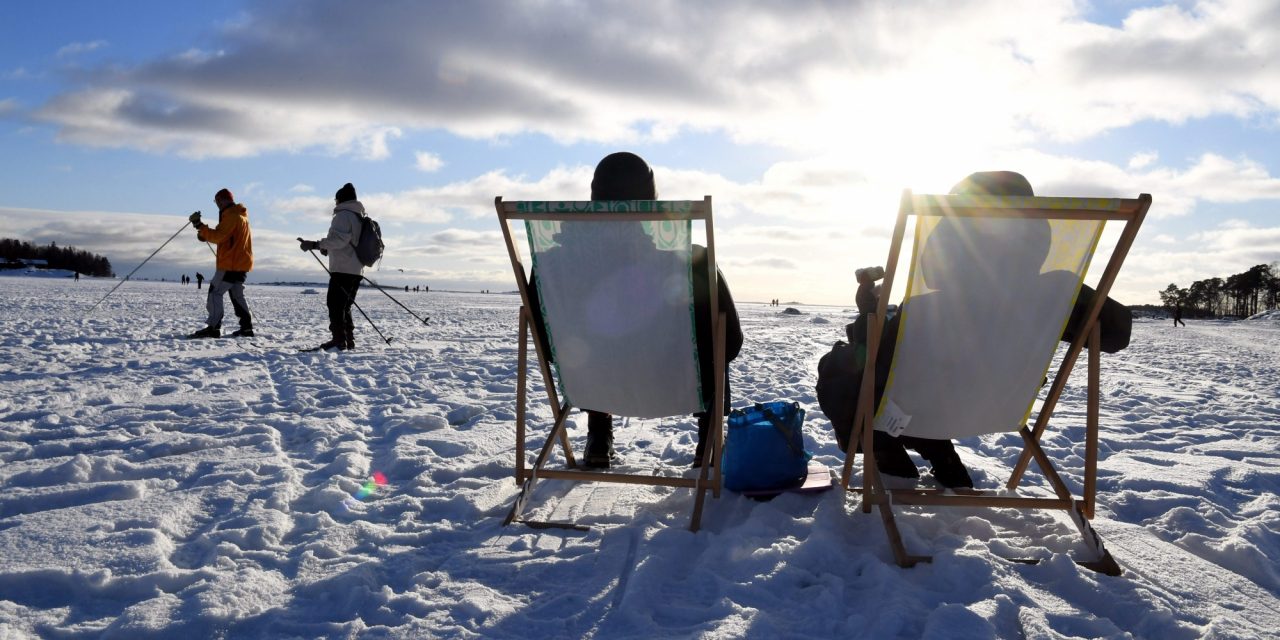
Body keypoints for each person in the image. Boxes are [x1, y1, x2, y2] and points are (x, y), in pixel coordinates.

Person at [528, 152, 744, 468]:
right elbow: (731, 343)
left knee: (591, 348)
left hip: (591, 377)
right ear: (650, 202)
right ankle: (708, 440)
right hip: (672, 376)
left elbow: (548, 346)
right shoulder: (691, 264)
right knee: (714, 330)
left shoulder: (551, 266)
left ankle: (598, 438)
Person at [299, 182, 365, 351]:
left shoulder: (343, 215)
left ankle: (339, 341)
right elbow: (347, 242)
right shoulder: (357, 215)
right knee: (344, 306)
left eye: (336, 199)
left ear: (341, 200)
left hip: (342, 268)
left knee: (335, 305)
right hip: (355, 268)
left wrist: (315, 244)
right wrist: (326, 248)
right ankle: (347, 340)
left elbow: (339, 240)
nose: (335, 203)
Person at [187, 189, 255, 339]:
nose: (217, 204)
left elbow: (219, 236)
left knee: (215, 292)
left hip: (230, 264)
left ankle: (213, 327)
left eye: (217, 201)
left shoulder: (231, 216)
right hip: (240, 265)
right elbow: (224, 236)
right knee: (237, 296)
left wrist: (200, 226)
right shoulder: (241, 216)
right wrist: (204, 232)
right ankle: (247, 328)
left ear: (222, 200)